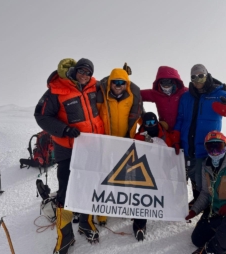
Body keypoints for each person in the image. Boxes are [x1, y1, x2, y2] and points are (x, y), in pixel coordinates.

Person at [34, 58, 104, 254]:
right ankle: (65, 236)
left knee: (89, 186)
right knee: (66, 193)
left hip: (91, 148)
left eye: (88, 72)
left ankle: (86, 223)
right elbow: (41, 116)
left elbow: (116, 86)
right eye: (81, 71)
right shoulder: (56, 91)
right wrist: (64, 129)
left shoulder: (94, 86)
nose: (84, 75)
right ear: (74, 71)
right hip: (67, 149)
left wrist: (124, 75)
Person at [173, 64, 226, 203]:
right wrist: (176, 137)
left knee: (203, 184)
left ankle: (203, 209)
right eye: (193, 77)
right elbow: (180, 119)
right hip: (186, 148)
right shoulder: (186, 97)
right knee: (182, 179)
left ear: (207, 75)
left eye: (201, 76)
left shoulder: (220, 94)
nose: (197, 80)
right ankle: (186, 206)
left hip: (207, 150)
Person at [96, 67, 143, 226]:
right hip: (105, 142)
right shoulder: (102, 95)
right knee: (103, 175)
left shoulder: (132, 96)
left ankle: (123, 204)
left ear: (126, 84)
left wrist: (151, 130)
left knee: (124, 175)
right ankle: (101, 210)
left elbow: (139, 114)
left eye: (122, 82)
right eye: (115, 82)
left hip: (124, 141)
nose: (118, 85)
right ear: (110, 83)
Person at [133, 112, 177, 241]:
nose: (150, 125)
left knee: (167, 192)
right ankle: (139, 224)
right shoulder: (139, 136)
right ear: (143, 124)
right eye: (147, 123)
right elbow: (134, 152)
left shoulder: (164, 135)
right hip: (145, 170)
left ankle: (172, 211)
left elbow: (170, 149)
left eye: (153, 123)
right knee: (142, 195)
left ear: (157, 122)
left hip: (162, 170)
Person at [140, 66, 188, 131]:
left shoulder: (183, 92)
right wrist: (125, 79)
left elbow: (199, 92)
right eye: (163, 82)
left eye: (169, 81)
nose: (166, 85)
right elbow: (136, 93)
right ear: (159, 82)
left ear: (174, 81)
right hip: (165, 131)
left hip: (181, 129)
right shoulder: (156, 94)